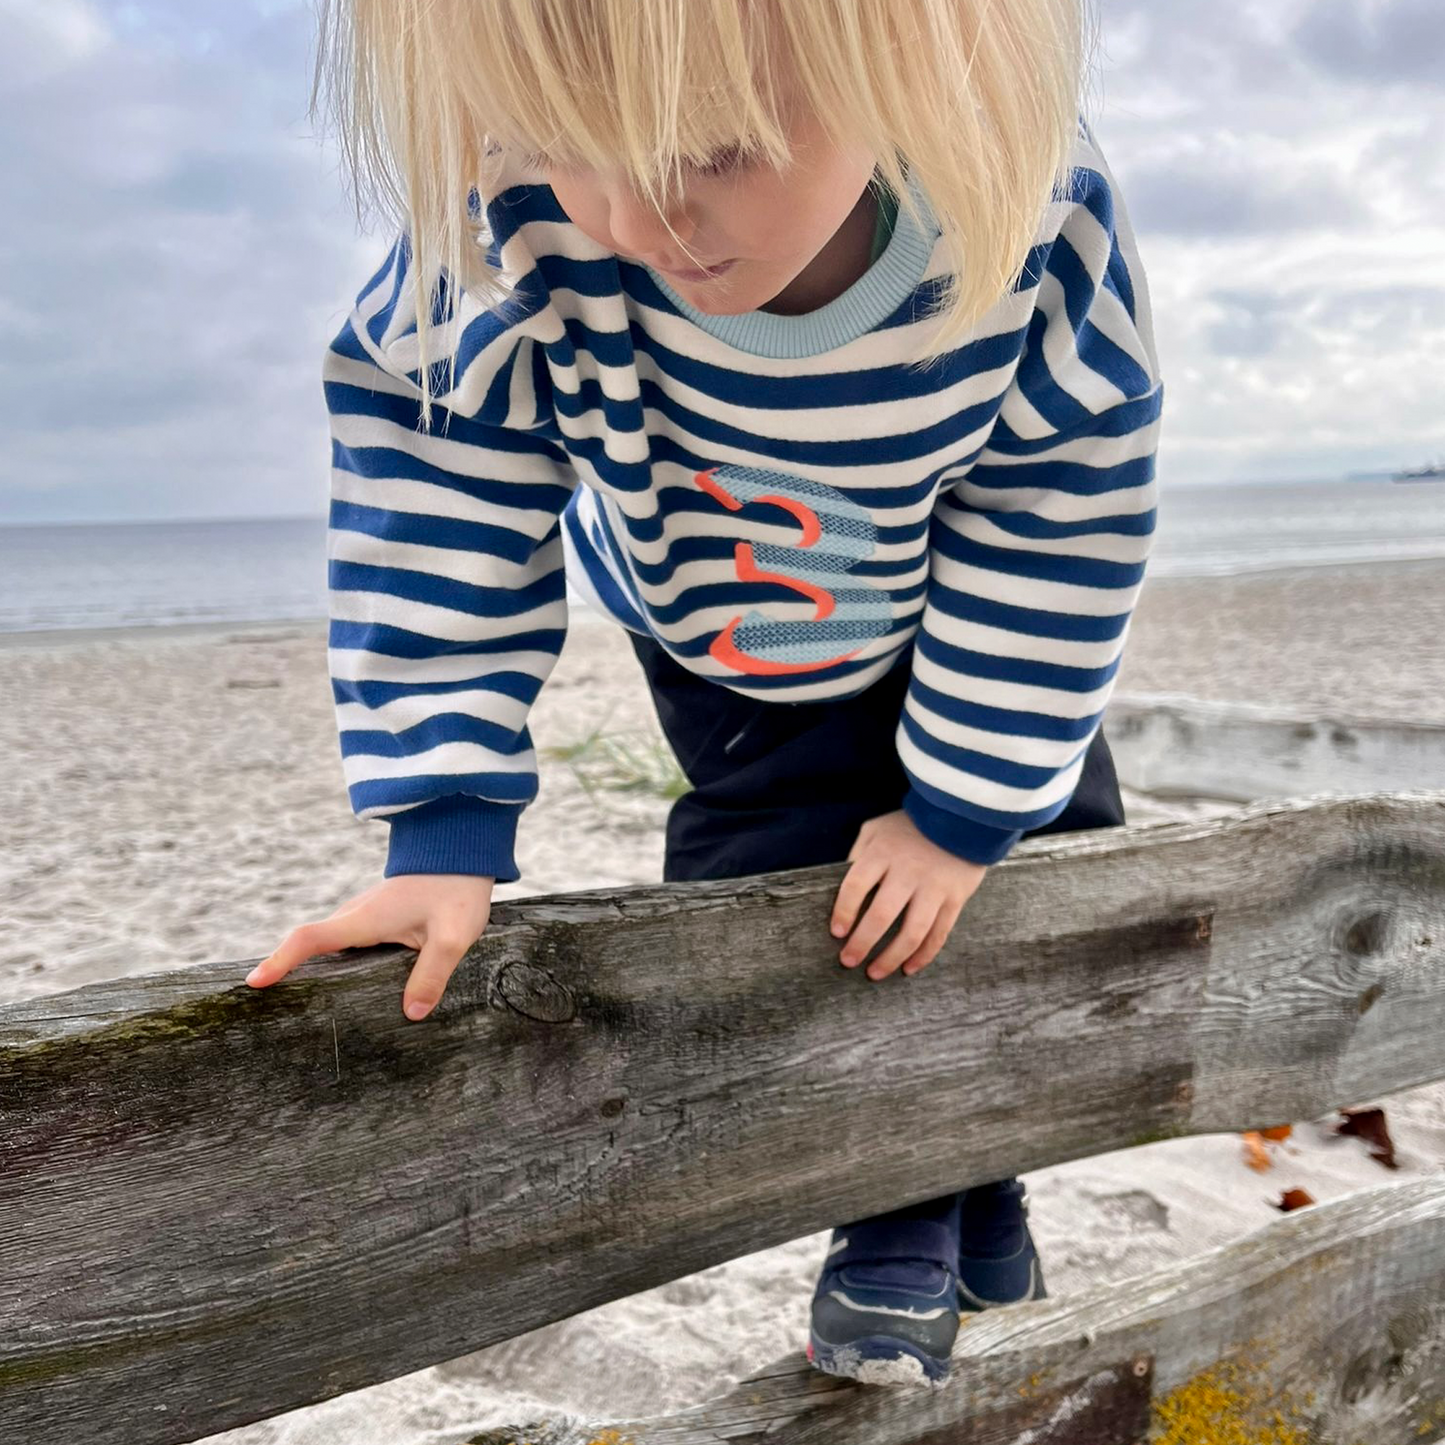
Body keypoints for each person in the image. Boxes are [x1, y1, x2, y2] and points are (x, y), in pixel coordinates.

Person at [246, 0, 1165, 1392]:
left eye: (718, 148)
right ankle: (924, 1204)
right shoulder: (525, 226)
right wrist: (441, 821)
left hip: (976, 626)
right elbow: (440, 475)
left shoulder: (1029, 213)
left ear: (922, 55)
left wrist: (966, 809)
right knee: (806, 919)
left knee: (1018, 883)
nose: (633, 219)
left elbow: (1056, 509)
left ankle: (950, 1196)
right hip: (730, 654)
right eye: (570, 146)